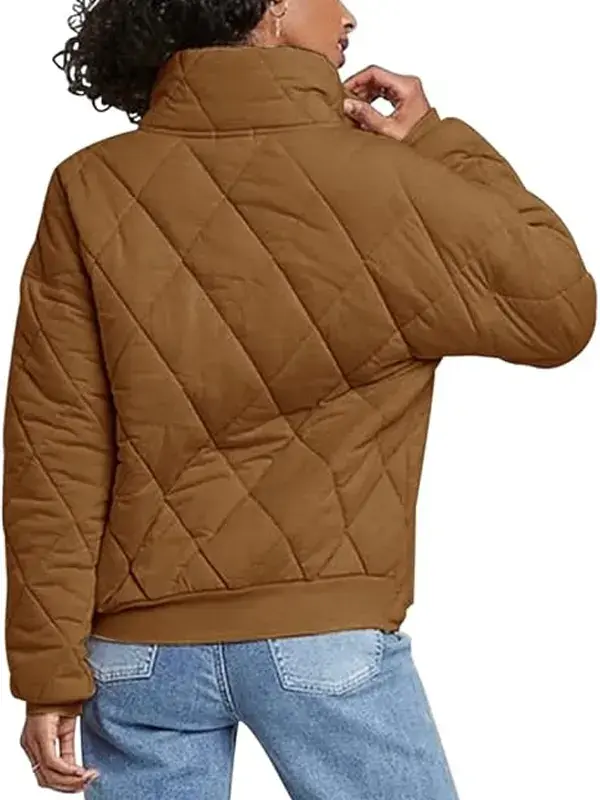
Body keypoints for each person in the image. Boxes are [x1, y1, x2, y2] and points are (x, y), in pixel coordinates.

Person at [2, 0, 596, 796]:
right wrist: (434, 138)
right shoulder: (388, 177)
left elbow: (54, 445)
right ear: (272, 9)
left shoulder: (90, 184)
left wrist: (48, 670)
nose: (348, 13)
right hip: (324, 636)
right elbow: (558, 309)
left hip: (141, 656)